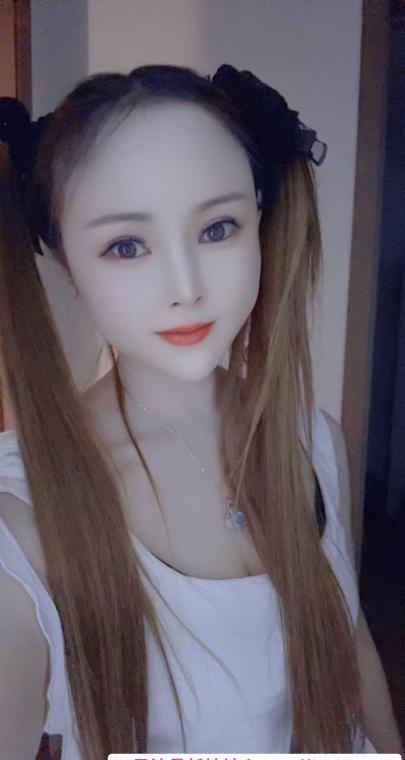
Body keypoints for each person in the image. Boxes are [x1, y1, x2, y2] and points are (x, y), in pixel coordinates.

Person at [0, 64, 401, 760]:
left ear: (259, 221)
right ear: (65, 258)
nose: (185, 287)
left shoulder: (312, 440)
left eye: (218, 228)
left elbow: (349, 639)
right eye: (127, 246)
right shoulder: (22, 519)